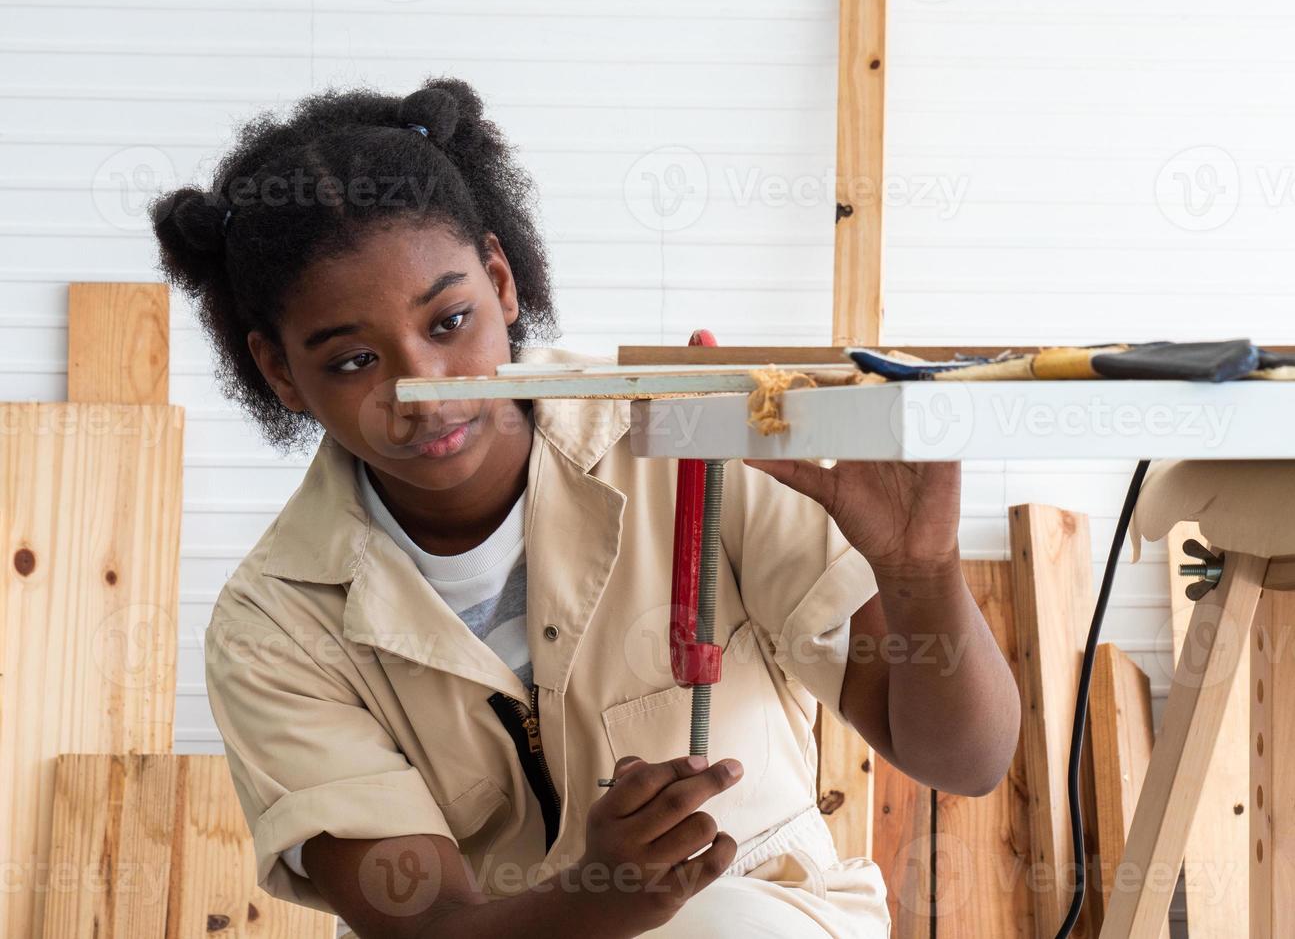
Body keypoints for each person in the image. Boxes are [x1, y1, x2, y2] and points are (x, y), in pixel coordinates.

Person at [149, 76, 1021, 939]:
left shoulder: (698, 438)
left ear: (500, 282)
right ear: (277, 372)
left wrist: (919, 575)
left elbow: (965, 761)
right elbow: (430, 925)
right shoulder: (275, 621)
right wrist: (596, 903)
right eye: (350, 362)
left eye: (449, 322)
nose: (422, 392)